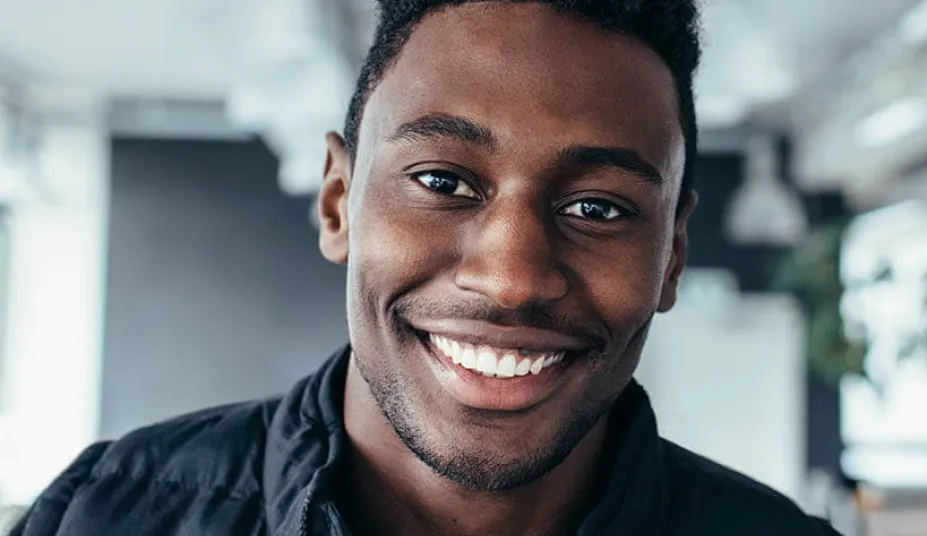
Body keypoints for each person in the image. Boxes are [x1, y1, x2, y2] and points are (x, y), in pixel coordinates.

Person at [12, 1, 841, 535]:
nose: (512, 277)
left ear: (673, 257)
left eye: (598, 208)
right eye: (443, 182)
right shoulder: (105, 513)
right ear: (339, 202)